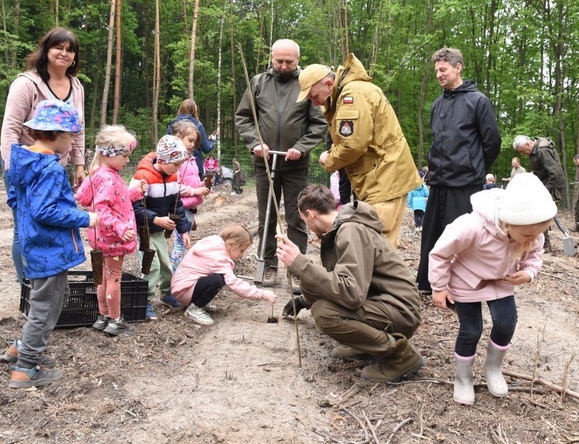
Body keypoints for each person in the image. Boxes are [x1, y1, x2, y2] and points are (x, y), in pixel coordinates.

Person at [428, 173, 556, 405]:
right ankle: (463, 378)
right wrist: (439, 287)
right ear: (508, 223)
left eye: (539, 234)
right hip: (466, 281)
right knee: (471, 330)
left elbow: (536, 255)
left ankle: (493, 368)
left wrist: (529, 272)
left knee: (507, 321)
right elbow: (440, 253)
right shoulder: (472, 227)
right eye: (528, 235)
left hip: (500, 281)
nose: (533, 240)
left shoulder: (532, 233)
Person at [277, 185, 424, 383]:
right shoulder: (342, 228)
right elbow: (334, 278)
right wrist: (305, 299)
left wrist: (300, 263)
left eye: (304, 221)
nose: (308, 229)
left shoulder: (351, 230)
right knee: (316, 294)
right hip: (382, 302)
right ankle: (367, 343)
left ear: (311, 215)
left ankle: (402, 355)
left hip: (400, 310)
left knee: (324, 313)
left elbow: (351, 293)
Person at [0, 99, 98, 388]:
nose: (72, 142)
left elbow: (17, 201)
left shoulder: (22, 161)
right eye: (71, 136)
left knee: (52, 297)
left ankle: (22, 346)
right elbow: (46, 211)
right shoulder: (50, 169)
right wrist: (84, 217)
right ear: (58, 135)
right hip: (50, 248)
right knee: (47, 304)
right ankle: (26, 367)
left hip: (35, 243)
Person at [296, 55, 422, 247]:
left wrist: (328, 160)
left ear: (329, 84)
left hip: (384, 180)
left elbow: (352, 145)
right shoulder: (347, 93)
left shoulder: (352, 96)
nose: (314, 103)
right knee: (375, 244)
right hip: (378, 178)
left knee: (377, 245)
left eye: (314, 96)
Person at [234, 39, 327, 287]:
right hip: (264, 162)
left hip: (295, 164)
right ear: (271, 58)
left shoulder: (305, 84)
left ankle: (298, 269)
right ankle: (268, 266)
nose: (284, 66)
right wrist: (254, 142)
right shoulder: (258, 83)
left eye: (289, 61)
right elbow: (243, 117)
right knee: (267, 216)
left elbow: (319, 124)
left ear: (298, 59)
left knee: (297, 216)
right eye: (279, 61)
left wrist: (301, 147)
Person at [0, 27, 86, 283]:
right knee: (24, 227)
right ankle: (27, 285)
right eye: (58, 47)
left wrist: (79, 164)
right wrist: (12, 169)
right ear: (46, 50)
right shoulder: (26, 83)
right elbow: (10, 129)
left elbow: (77, 128)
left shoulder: (76, 86)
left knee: (51, 223)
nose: (64, 53)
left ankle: (48, 282)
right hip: (27, 165)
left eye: (70, 50)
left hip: (56, 166)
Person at [414, 48, 501, 294]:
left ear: (458, 67)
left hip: (465, 182)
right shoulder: (437, 104)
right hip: (439, 180)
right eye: (436, 71)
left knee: (461, 237)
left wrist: (474, 167)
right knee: (432, 235)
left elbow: (492, 142)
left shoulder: (478, 101)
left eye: (443, 70)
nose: (439, 75)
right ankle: (428, 283)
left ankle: (460, 287)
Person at [75, 125, 146, 336]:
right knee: (114, 277)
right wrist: (121, 226)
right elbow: (101, 208)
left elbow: (95, 198)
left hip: (100, 238)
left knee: (103, 278)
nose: (127, 161)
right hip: (112, 238)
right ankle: (115, 319)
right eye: (124, 156)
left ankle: (103, 316)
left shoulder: (98, 174)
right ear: (110, 154)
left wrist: (133, 193)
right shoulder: (109, 177)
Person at [130, 135, 192, 320]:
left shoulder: (173, 177)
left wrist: (183, 229)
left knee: (166, 264)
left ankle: (166, 294)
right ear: (164, 159)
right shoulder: (142, 177)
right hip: (144, 231)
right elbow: (134, 207)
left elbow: (177, 205)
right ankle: (145, 300)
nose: (178, 169)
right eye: (176, 164)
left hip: (158, 232)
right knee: (152, 266)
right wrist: (156, 219)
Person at [171, 225, 276, 326]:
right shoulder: (220, 259)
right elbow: (235, 284)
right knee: (217, 280)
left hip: (182, 287)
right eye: (241, 250)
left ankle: (200, 302)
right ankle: (194, 309)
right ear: (231, 245)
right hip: (185, 291)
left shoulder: (213, 243)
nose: (242, 254)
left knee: (218, 277)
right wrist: (261, 294)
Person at [168, 120, 210, 272]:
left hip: (190, 209)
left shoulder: (191, 158)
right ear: (178, 137)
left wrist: (201, 185)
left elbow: (191, 182)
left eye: (195, 141)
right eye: (190, 140)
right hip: (181, 209)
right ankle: (175, 276)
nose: (193, 144)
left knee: (183, 243)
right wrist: (194, 192)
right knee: (180, 244)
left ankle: (177, 274)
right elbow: (175, 186)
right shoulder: (176, 161)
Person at [512, 135, 566, 251]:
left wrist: (545, 190)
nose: (523, 154)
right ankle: (543, 243)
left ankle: (545, 245)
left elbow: (554, 172)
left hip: (552, 185)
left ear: (527, 144)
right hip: (545, 182)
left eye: (522, 151)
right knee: (540, 213)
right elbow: (542, 168)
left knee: (541, 214)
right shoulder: (536, 149)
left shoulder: (542, 150)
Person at [166, 98, 217, 178]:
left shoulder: (172, 124)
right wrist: (212, 140)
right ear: (194, 110)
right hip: (194, 166)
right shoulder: (198, 125)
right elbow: (206, 148)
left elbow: (167, 146)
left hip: (174, 166)